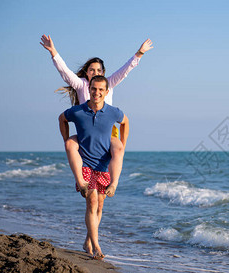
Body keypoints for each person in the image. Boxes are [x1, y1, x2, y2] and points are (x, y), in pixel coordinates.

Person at [41, 34, 152, 197]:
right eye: (91, 70)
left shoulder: (109, 83)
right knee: (70, 145)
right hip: (86, 134)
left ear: (104, 73)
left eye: (98, 70)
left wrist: (139, 53)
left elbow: (125, 70)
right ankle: (81, 181)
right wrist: (53, 51)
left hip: (107, 134)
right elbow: (64, 71)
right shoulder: (81, 84)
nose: (95, 72)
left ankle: (113, 185)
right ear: (86, 72)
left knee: (119, 149)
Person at [59, 75, 129, 259]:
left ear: (107, 92)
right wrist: (67, 139)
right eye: (93, 89)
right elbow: (62, 119)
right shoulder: (78, 111)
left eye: (100, 90)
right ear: (88, 90)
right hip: (85, 164)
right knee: (92, 201)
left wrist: (122, 142)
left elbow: (125, 122)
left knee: (99, 207)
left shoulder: (113, 112)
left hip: (103, 164)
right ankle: (97, 246)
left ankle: (88, 240)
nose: (96, 92)